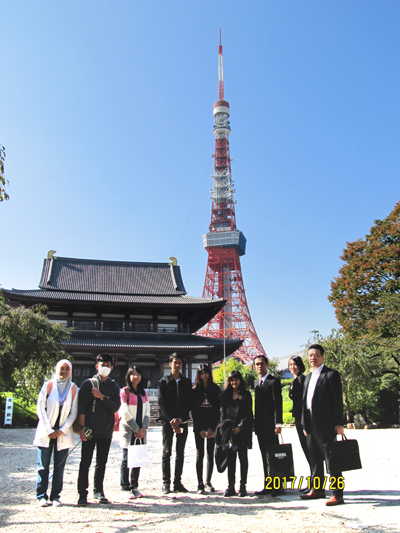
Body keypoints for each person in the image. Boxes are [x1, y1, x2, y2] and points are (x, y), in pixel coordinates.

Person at [300, 344, 345, 506]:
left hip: (326, 423)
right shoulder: (307, 377)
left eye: (316, 355)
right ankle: (318, 490)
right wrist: (305, 424)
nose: (313, 358)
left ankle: (337, 494)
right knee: (314, 458)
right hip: (310, 423)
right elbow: (304, 402)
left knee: (331, 459)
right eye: (310, 355)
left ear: (322, 356)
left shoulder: (331, 374)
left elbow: (337, 401)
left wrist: (339, 423)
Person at [77, 353, 121, 506]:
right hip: (89, 429)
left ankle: (98, 491)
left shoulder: (114, 386)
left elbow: (116, 406)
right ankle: (82, 493)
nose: (105, 367)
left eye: (108, 365)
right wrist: (82, 428)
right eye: (103, 365)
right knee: (85, 462)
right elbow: (81, 407)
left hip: (106, 430)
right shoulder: (88, 384)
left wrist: (101, 396)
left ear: (112, 367)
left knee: (101, 463)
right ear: (97, 366)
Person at [34, 359, 78, 507]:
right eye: (62, 368)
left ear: (70, 371)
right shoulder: (48, 385)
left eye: (67, 369)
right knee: (43, 466)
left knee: (59, 466)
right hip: (47, 432)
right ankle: (41, 495)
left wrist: (62, 430)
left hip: (62, 434)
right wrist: (49, 429)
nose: (64, 371)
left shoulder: (73, 388)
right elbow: (40, 407)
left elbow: (74, 412)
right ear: (56, 369)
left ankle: (55, 496)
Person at [158, 352, 192, 494]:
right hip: (168, 423)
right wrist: (172, 419)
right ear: (170, 364)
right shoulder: (164, 382)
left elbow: (189, 402)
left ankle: (177, 482)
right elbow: (161, 403)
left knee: (180, 453)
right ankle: (166, 483)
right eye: (174, 362)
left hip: (182, 422)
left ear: (181, 365)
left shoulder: (186, 382)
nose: (177, 365)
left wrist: (180, 419)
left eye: (179, 362)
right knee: (166, 452)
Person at [253, 355, 283, 496]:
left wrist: (278, 423)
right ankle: (268, 484)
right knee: (264, 456)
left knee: (273, 455)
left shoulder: (273, 381)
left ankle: (278, 486)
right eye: (257, 364)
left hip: (271, 426)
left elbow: (278, 404)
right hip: (260, 426)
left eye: (262, 364)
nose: (259, 366)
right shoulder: (256, 383)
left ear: (267, 365)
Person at [220, 370, 252, 497]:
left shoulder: (246, 395)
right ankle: (230, 485)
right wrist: (227, 428)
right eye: (232, 380)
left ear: (240, 380)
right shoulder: (225, 395)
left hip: (242, 432)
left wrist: (240, 427)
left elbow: (248, 413)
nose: (234, 382)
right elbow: (222, 413)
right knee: (231, 460)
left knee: (243, 459)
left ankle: (243, 485)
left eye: (236, 379)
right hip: (229, 432)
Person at [119, 366, 150, 500]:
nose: (136, 377)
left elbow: (147, 411)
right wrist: (136, 429)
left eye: (138, 374)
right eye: (133, 374)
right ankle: (125, 487)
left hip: (141, 431)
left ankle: (134, 486)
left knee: (137, 458)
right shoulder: (124, 392)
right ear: (129, 376)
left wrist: (143, 428)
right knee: (126, 459)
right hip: (129, 430)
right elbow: (124, 411)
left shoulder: (144, 393)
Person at [191, 364, 221, 494]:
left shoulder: (215, 389)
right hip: (199, 426)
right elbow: (194, 411)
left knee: (210, 453)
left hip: (211, 425)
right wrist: (200, 428)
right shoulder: (194, 390)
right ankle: (199, 483)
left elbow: (217, 410)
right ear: (198, 375)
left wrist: (211, 428)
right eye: (201, 373)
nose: (204, 375)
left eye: (206, 373)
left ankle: (208, 481)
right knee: (200, 454)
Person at [288, 355, 310, 490]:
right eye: (290, 365)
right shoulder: (296, 380)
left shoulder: (302, 379)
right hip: (298, 418)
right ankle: (313, 481)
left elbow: (304, 403)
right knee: (306, 450)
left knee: (309, 451)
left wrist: (304, 423)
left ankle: (315, 482)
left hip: (303, 420)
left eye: (295, 364)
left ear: (300, 366)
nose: (292, 367)